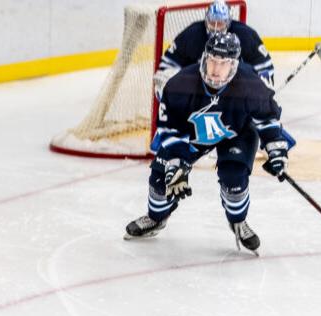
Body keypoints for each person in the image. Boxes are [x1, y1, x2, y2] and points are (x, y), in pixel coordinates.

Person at [124, 32, 289, 254]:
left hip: (236, 132)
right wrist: (177, 160)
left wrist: (276, 150)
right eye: (212, 60)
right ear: (204, 57)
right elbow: (168, 126)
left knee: (234, 178)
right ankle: (156, 218)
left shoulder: (250, 84)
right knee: (163, 175)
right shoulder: (180, 84)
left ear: (234, 64)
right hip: (193, 134)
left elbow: (268, 117)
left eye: (223, 63)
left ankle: (238, 221)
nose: (215, 69)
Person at [154, 0, 275, 99]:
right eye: (212, 23)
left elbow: (264, 66)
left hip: (235, 97)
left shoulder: (246, 36)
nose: (216, 28)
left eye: (220, 23)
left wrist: (262, 89)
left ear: (228, 22)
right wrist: (168, 88)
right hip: (197, 96)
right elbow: (168, 65)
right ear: (206, 20)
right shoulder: (191, 35)